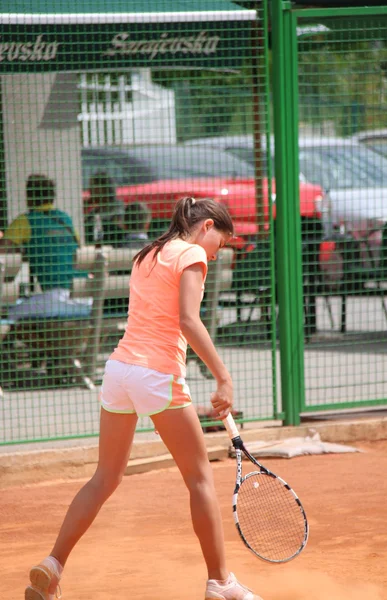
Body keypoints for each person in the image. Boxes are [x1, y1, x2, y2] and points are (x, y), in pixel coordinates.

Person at [25, 197, 263, 600]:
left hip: (118, 372)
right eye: (219, 244)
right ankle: (221, 583)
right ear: (206, 227)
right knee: (200, 479)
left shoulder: (147, 253)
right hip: (156, 375)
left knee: (105, 477)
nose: (216, 253)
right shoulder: (191, 254)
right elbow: (188, 320)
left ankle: (53, 564)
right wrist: (223, 377)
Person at [0, 174, 91, 321]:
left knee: (8, 314)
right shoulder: (65, 219)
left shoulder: (26, 221)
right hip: (86, 297)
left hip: (55, 298)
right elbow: (78, 250)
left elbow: (2, 250)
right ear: (52, 196)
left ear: (29, 197)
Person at [85, 171, 125, 247]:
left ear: (102, 188)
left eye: (92, 186)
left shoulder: (117, 212)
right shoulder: (95, 212)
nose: (89, 190)